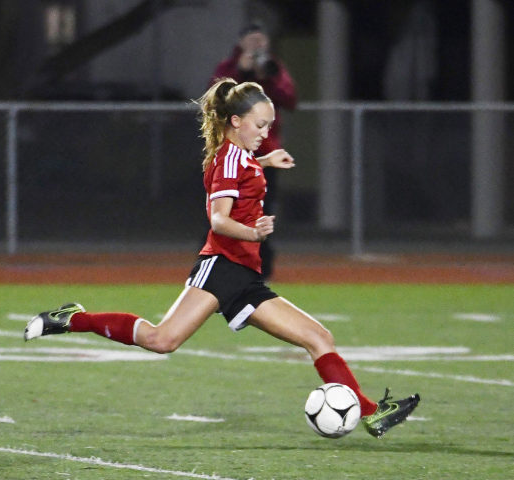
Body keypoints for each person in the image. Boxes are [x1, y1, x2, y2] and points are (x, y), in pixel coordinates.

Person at [24, 78, 419, 438]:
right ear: (235, 121)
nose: (265, 134)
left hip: (244, 276)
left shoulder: (240, 157)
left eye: (268, 126)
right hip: (221, 268)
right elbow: (218, 219)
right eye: (260, 125)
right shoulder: (231, 158)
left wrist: (265, 161)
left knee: (318, 338)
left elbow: (238, 173)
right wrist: (254, 232)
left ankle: (371, 413)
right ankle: (73, 318)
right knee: (163, 340)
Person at [210, 21, 297, 279]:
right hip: (230, 154)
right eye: (252, 41)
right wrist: (241, 71)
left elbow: (289, 98)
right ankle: (215, 264)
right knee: (222, 213)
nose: (257, 46)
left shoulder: (272, 68)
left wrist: (267, 76)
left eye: (261, 41)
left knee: (261, 212)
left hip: (262, 155)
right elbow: (216, 98)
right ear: (241, 43)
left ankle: (259, 268)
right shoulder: (229, 67)